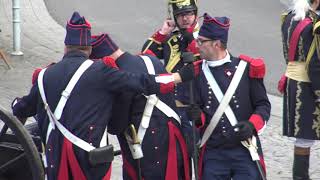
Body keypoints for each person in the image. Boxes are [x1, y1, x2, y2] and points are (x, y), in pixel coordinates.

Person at [11, 12, 198, 180]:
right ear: (89, 49)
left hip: (56, 161)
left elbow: (21, 108)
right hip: (90, 163)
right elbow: (142, 82)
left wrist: (15, 105)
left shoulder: (44, 75)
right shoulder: (100, 71)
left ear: (66, 45)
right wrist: (178, 77)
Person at [90, 33, 195, 180]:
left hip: (148, 148)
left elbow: (117, 126)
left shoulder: (120, 77)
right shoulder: (150, 59)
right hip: (174, 137)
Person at [189, 13, 271, 180]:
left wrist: (251, 125)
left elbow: (263, 105)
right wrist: (198, 118)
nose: (196, 45)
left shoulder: (246, 69)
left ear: (217, 44)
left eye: (201, 41)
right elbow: (196, 115)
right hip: (213, 152)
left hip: (244, 150)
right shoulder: (196, 73)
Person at [141, 0, 200, 168]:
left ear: (195, 14)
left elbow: (207, 59)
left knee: (198, 159)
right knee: (174, 160)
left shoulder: (205, 37)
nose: (185, 19)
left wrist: (191, 39)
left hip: (194, 109)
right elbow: (146, 55)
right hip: (170, 108)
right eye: (181, 15)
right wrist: (162, 32)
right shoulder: (170, 39)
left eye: (189, 14)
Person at [280, 0, 320, 179]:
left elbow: (287, 53)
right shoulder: (314, 25)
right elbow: (315, 64)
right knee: (306, 137)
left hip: (292, 82)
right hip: (309, 86)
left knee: (303, 140)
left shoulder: (289, 18)